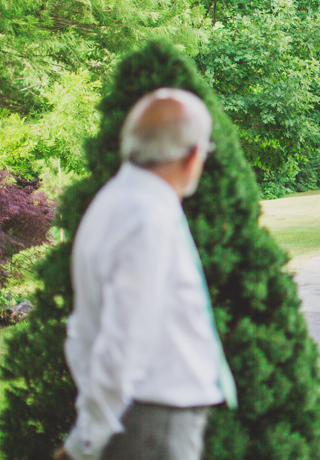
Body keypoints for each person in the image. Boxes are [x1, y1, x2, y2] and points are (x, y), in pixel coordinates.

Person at [54, 88, 237, 460]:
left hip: (140, 421)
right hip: (152, 427)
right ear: (191, 156)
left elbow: (83, 331)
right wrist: (84, 442)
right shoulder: (148, 218)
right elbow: (123, 341)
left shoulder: (114, 202)